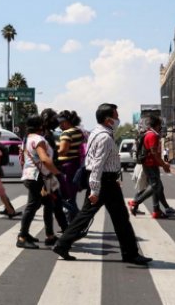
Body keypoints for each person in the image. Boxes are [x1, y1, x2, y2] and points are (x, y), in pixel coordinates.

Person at [53, 103, 154, 265]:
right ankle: (130, 254)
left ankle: (63, 244)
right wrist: (94, 190)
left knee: (89, 216)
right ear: (108, 120)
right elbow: (98, 164)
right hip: (103, 181)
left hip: (105, 180)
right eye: (115, 116)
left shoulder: (96, 132)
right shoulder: (105, 137)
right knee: (118, 218)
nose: (118, 119)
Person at [16, 116, 62, 248]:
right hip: (38, 178)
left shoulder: (27, 139)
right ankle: (22, 237)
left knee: (48, 204)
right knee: (32, 206)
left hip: (33, 176)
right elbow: (45, 159)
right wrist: (57, 173)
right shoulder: (38, 140)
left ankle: (50, 235)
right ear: (40, 126)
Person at [128, 115, 175, 219]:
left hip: (151, 164)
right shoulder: (152, 136)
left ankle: (157, 211)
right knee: (155, 186)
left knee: (158, 187)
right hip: (150, 165)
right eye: (160, 125)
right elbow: (154, 153)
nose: (161, 128)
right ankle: (135, 202)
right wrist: (164, 164)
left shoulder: (149, 134)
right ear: (158, 125)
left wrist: (162, 163)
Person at [41, 108, 69, 233]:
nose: (56, 121)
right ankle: (51, 234)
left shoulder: (48, 134)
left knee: (54, 202)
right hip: (48, 174)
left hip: (50, 173)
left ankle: (64, 228)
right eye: (53, 118)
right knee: (48, 203)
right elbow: (47, 157)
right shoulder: (45, 136)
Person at [56, 110, 84, 222]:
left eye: (61, 123)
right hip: (76, 164)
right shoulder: (78, 131)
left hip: (67, 167)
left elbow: (63, 150)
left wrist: (50, 152)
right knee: (71, 196)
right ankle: (74, 221)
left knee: (65, 197)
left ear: (67, 122)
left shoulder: (67, 133)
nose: (60, 125)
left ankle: (77, 220)